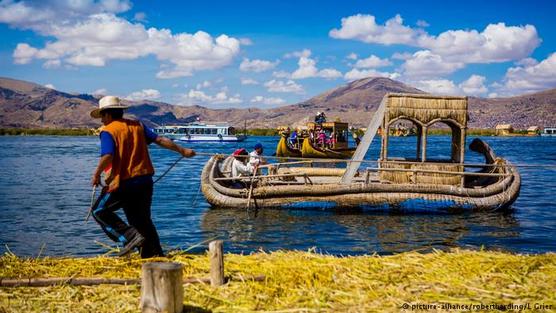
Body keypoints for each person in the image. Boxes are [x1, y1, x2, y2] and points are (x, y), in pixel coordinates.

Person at [89, 96, 195, 258]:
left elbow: (108, 155)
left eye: (102, 117)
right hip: (145, 182)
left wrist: (96, 174)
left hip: (124, 183)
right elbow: (160, 139)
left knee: (98, 211)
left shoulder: (108, 131)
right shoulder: (137, 125)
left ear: (108, 115)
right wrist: (183, 151)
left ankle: (129, 237)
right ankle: (154, 255)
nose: (102, 121)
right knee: (142, 220)